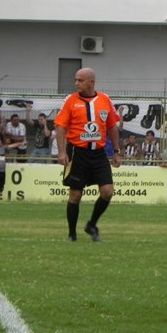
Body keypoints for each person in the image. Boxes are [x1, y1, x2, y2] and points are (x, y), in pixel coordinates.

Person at [55, 68, 122, 242]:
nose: (76, 83)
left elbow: (112, 126)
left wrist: (116, 151)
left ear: (91, 82)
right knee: (76, 194)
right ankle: (72, 234)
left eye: (80, 80)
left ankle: (91, 224)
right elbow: (60, 126)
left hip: (98, 153)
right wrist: (62, 151)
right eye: (75, 80)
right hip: (77, 152)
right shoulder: (70, 100)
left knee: (107, 192)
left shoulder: (105, 99)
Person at [0, 135, 26, 201]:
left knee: (0, 188)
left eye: (0, 140)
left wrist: (21, 143)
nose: (0, 141)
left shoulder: (3, 148)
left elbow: (12, 146)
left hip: (2, 172)